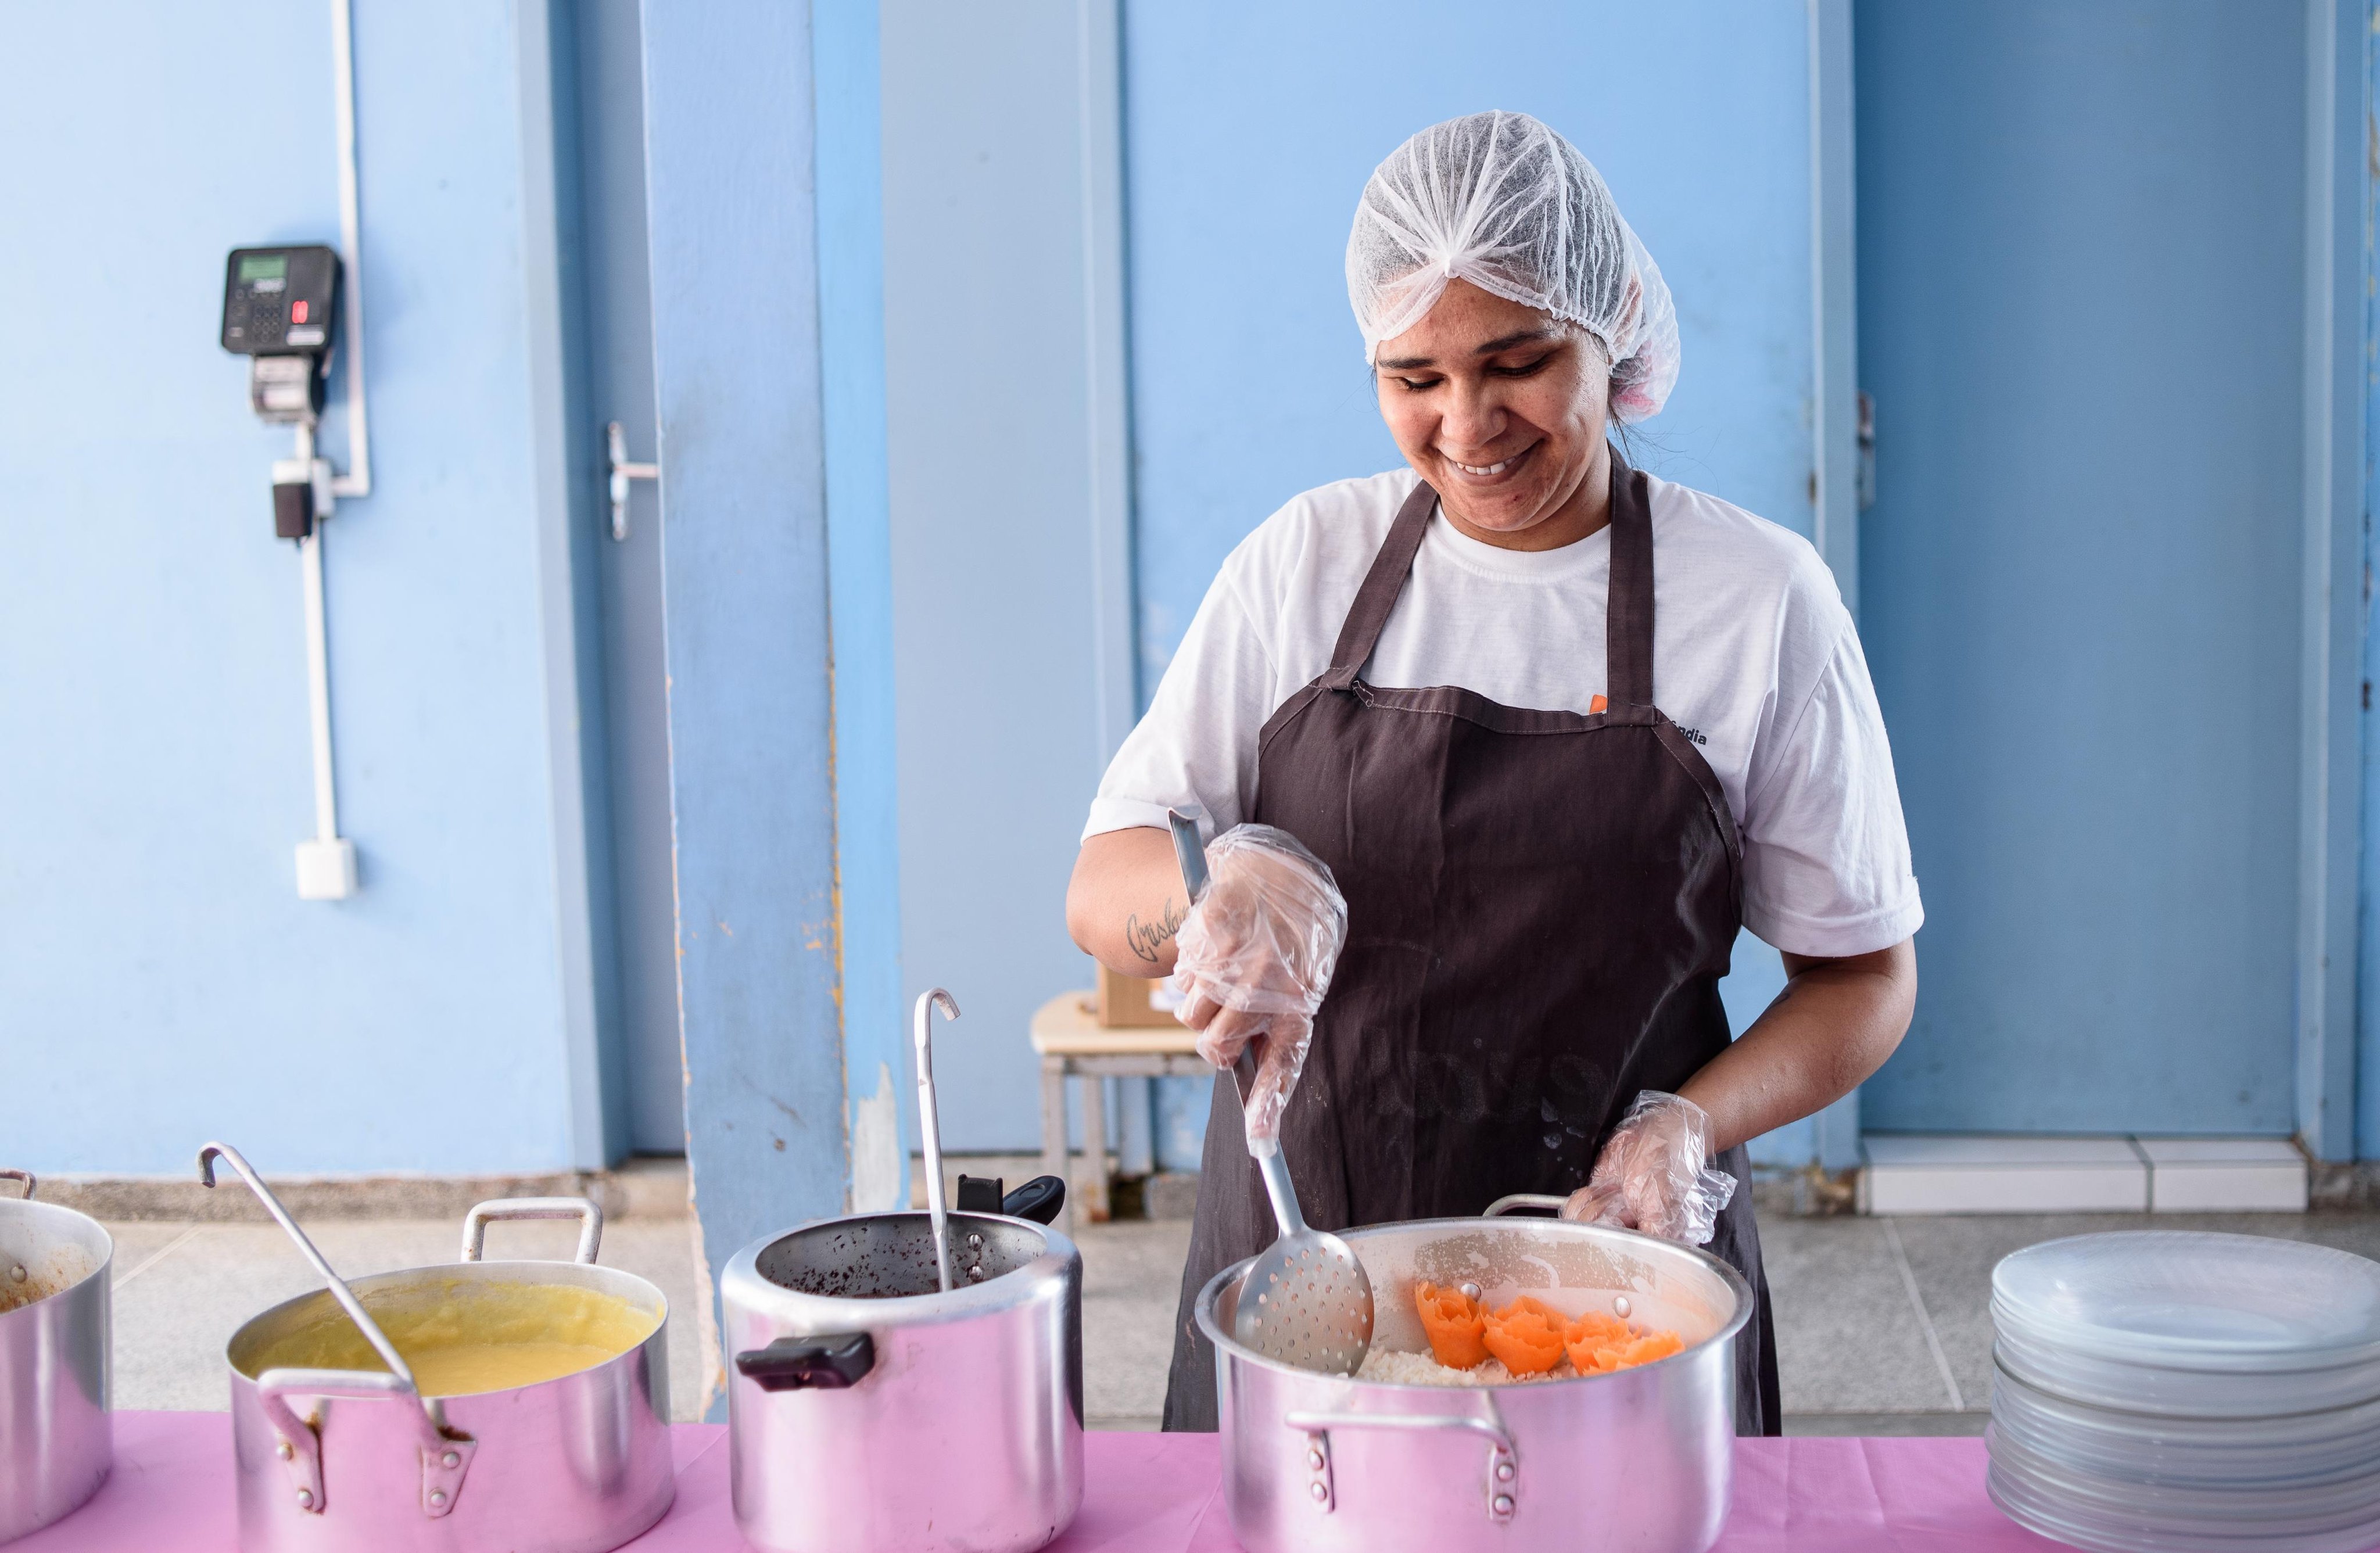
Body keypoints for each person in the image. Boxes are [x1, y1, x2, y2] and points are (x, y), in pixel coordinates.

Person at [1064, 110, 1920, 1435]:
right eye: (1413, 376)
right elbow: (1102, 882)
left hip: (1614, 1292)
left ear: (1611, 332)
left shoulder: (1757, 599)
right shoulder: (1303, 566)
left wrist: (1687, 1127)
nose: (1466, 423)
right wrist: (1210, 907)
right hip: (1312, 1281)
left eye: (1517, 362)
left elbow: (1863, 978)